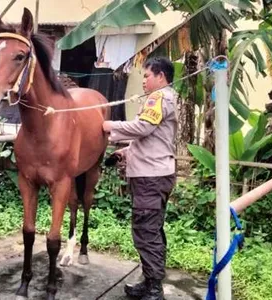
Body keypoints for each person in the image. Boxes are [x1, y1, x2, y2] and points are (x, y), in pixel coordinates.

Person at [102, 57, 178, 300]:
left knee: (146, 230)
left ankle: (155, 289)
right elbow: (152, 138)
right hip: (156, 173)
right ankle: (149, 281)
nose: (143, 81)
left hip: (151, 177)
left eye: (147, 76)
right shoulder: (167, 97)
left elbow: (143, 127)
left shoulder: (159, 97)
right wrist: (125, 151)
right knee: (151, 229)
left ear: (161, 77)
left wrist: (107, 125)